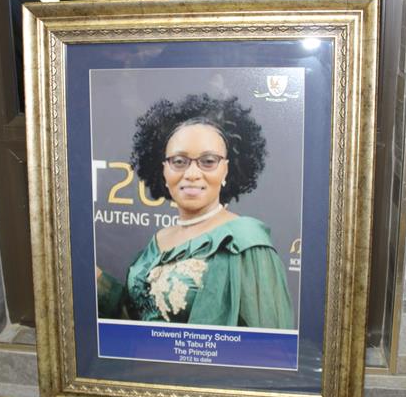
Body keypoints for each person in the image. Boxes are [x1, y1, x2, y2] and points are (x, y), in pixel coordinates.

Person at [97, 93, 294, 329]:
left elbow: (268, 345)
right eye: (179, 161)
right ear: (164, 170)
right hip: (138, 366)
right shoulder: (159, 239)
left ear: (226, 170)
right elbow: (136, 317)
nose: (191, 174)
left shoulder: (246, 243)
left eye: (208, 161)